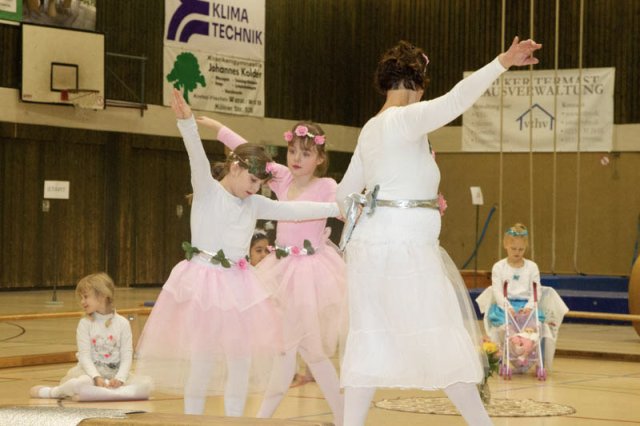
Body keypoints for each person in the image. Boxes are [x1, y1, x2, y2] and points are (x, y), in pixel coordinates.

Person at [335, 37, 542, 425]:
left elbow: (342, 196)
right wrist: (502, 62)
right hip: (406, 251)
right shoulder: (404, 119)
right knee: (442, 341)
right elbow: (457, 99)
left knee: (369, 342)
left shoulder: (370, 130)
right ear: (416, 85)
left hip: (372, 253)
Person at [135, 89, 341, 417]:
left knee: (240, 364)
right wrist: (187, 122)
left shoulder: (254, 202)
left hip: (238, 285)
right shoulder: (207, 190)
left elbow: (294, 210)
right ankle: (192, 422)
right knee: (202, 364)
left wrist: (336, 207)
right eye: (252, 180)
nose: (255, 188)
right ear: (234, 167)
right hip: (203, 283)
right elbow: (195, 154)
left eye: (260, 184)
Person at [197, 116, 346, 424]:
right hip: (280, 269)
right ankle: (338, 418)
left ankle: (340, 418)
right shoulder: (282, 178)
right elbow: (247, 150)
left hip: (310, 275)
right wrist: (216, 128)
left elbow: (344, 209)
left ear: (320, 159)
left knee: (305, 351)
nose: (296, 158)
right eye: (292, 151)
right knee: (294, 351)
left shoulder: (327, 186)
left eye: (306, 153)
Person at [30, 272, 150, 401]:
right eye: (81, 298)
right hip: (89, 375)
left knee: (144, 386)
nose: (82, 302)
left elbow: (127, 355)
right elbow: (84, 356)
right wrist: (96, 377)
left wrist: (120, 379)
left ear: (103, 296)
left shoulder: (123, 323)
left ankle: (98, 392)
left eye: (86, 297)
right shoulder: (85, 323)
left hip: (114, 374)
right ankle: (54, 392)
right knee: (82, 382)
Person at [476, 223, 568, 371]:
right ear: (505, 245)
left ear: (526, 248)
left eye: (521, 249)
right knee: (504, 328)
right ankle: (503, 357)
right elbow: (497, 291)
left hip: (526, 308)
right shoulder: (499, 267)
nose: (517, 252)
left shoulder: (532, 267)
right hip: (505, 308)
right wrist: (508, 307)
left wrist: (529, 307)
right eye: (513, 249)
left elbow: (536, 290)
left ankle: (537, 361)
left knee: (538, 328)